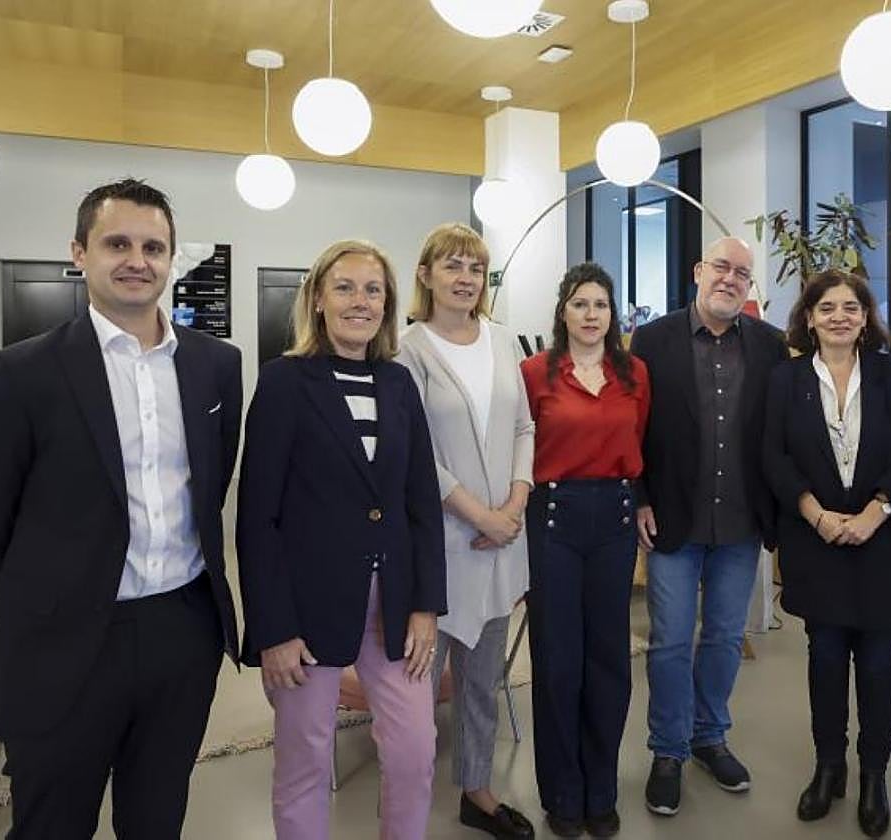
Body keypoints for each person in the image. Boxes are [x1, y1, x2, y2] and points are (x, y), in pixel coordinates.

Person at [0, 178, 242, 838]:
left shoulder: (216, 365)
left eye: (153, 247)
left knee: (157, 819)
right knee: (52, 823)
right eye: (117, 244)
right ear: (80, 252)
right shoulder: (20, 374)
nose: (138, 260)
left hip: (182, 630)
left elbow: (210, 487)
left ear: (171, 258)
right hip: (63, 640)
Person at [236, 239, 446, 840]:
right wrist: (273, 629)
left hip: (396, 603)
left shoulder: (398, 383)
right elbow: (257, 517)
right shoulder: (284, 382)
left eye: (373, 290)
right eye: (345, 287)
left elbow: (421, 502)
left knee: (414, 751)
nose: (361, 301)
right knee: (304, 761)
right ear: (318, 300)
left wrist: (426, 605)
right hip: (307, 609)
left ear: (387, 304)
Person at [762, 270, 891, 837]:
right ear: (809, 318)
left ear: (865, 318)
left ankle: (874, 774)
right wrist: (816, 514)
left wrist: (874, 513)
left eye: (851, 307)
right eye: (827, 307)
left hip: (884, 541)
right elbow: (774, 457)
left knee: (879, 665)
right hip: (817, 541)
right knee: (826, 661)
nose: (839, 316)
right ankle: (828, 766)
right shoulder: (784, 380)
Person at [629, 236, 787, 817]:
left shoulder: (770, 345)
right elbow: (634, 426)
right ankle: (667, 750)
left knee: (723, 637)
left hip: (741, 522)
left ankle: (709, 736)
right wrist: (640, 497)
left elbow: (779, 431)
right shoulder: (652, 340)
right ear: (698, 271)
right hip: (674, 518)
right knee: (670, 641)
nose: (730, 279)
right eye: (721, 267)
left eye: (742, 273)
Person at [398, 223, 535, 840]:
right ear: (425, 275)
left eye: (476, 268)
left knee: (482, 683)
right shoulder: (408, 351)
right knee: (416, 693)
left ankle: (477, 791)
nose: (465, 279)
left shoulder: (502, 340)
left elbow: (524, 428)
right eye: (452, 266)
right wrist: (481, 516)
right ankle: (408, 803)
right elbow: (413, 452)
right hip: (443, 547)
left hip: (502, 542)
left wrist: (515, 502)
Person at [519, 263, 650, 838]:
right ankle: (563, 794)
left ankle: (601, 790)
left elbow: (640, 442)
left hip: (614, 519)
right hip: (552, 519)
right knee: (557, 661)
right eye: (580, 304)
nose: (591, 314)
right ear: (563, 312)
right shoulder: (535, 373)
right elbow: (519, 446)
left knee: (609, 661)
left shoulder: (635, 373)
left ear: (612, 313)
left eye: (600, 304)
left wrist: (642, 502)